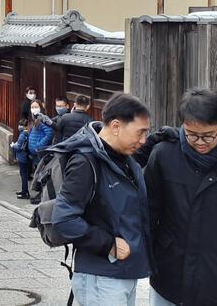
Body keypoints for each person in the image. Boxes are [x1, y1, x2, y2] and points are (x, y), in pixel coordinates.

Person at [144, 88, 217, 306]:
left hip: (215, 281)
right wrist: (153, 251)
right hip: (168, 274)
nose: (200, 142)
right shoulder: (163, 156)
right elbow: (148, 209)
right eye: (191, 134)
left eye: (208, 135)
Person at [51, 93, 153, 306]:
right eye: (140, 132)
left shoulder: (121, 157)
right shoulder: (85, 162)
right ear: (116, 126)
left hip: (121, 273)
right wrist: (109, 244)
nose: (143, 140)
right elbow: (63, 219)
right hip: (101, 279)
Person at [11, 116, 33, 200]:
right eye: (20, 125)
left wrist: (13, 145)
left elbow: (19, 147)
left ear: (26, 126)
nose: (20, 127)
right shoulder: (28, 133)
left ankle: (25, 192)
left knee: (23, 175)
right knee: (24, 174)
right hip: (26, 156)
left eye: (22, 125)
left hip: (22, 157)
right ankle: (24, 191)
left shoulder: (22, 135)